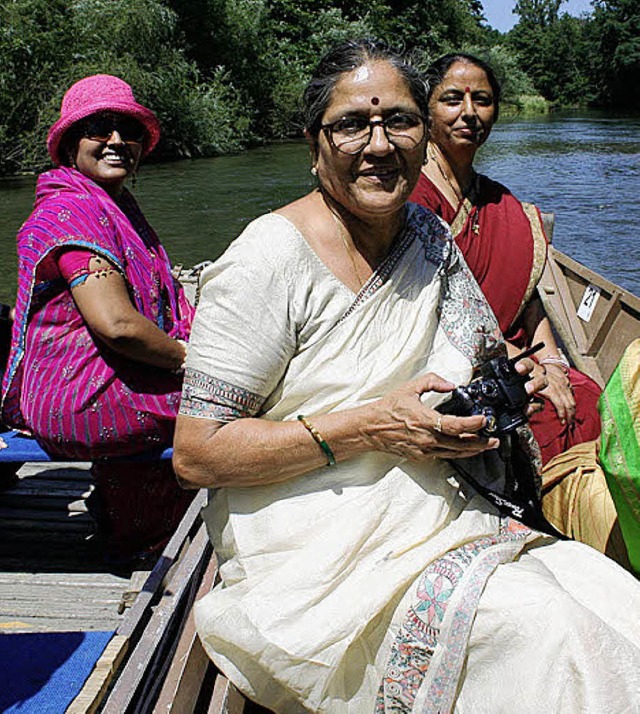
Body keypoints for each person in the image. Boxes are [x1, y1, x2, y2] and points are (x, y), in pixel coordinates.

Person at [174, 40, 640, 713]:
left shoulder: (426, 235)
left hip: (440, 508)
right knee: (548, 629)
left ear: (423, 137)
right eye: (351, 125)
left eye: (398, 121)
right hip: (313, 538)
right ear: (314, 142)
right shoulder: (268, 258)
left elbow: (482, 355)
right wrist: (373, 426)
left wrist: (523, 376)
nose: (379, 144)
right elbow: (197, 454)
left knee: (612, 598)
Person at [0, 75, 195, 563]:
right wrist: (198, 363)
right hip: (79, 396)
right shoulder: (72, 212)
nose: (116, 140)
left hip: (96, 381)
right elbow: (118, 326)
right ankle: (152, 530)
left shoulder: (113, 206)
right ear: (70, 143)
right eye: (99, 128)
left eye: (127, 130)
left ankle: (130, 516)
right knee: (231, 401)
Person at [409, 53, 602, 466]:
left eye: (481, 99)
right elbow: (420, 318)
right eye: (451, 99)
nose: (468, 113)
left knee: (589, 396)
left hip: (517, 354)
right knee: (542, 419)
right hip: (449, 365)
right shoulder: (410, 196)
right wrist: (526, 372)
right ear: (426, 110)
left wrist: (552, 363)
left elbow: (531, 304)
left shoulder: (502, 202)